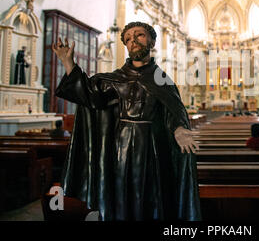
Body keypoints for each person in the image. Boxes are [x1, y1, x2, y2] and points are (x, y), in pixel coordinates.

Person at [53, 21, 201, 221]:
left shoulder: (162, 80)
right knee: (120, 196)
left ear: (152, 41)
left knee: (151, 198)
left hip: (152, 149)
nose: (133, 41)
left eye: (139, 35)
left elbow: (173, 111)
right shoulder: (115, 79)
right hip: (119, 149)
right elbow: (87, 94)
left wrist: (179, 129)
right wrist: (68, 63)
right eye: (128, 39)